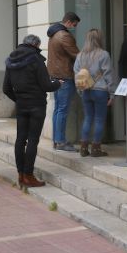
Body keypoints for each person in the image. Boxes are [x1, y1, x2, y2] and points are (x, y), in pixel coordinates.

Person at [3, 35, 62, 188]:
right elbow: (46, 85)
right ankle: (29, 175)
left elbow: (6, 88)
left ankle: (21, 174)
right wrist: (58, 83)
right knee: (33, 140)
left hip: (22, 105)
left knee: (20, 139)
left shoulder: (11, 60)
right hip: (36, 105)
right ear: (35, 45)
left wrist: (19, 99)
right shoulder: (36, 59)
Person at [74, 28, 115, 157]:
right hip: (100, 90)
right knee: (99, 119)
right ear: (99, 39)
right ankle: (96, 149)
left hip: (86, 90)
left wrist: (80, 90)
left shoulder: (80, 55)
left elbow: (76, 73)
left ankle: (83, 148)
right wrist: (112, 94)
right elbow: (108, 74)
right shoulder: (103, 54)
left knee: (88, 118)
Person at [47, 12, 81, 152]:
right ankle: (60, 141)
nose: (74, 27)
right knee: (62, 109)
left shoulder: (54, 34)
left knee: (57, 109)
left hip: (55, 75)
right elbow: (77, 55)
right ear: (68, 21)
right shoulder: (64, 36)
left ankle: (57, 139)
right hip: (65, 76)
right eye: (74, 24)